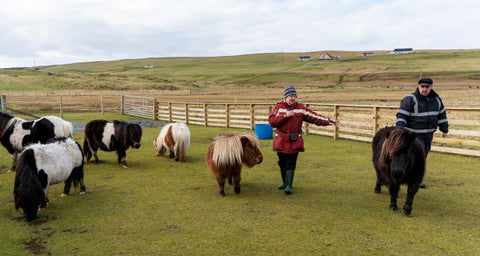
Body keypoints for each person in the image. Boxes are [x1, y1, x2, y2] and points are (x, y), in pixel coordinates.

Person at [268, 85, 338, 195]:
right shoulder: (278, 107)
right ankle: (284, 182)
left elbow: (314, 117)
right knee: (282, 162)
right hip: (281, 140)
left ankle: (289, 186)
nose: (292, 98)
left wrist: (329, 121)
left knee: (291, 163)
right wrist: (285, 115)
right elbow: (272, 121)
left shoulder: (300, 108)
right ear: (285, 97)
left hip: (294, 140)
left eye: (294, 96)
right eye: (290, 96)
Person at [396, 77, 449, 188]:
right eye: (422, 87)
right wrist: (399, 130)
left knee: (422, 156)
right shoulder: (410, 99)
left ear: (431, 87)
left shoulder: (437, 100)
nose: (424, 89)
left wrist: (444, 129)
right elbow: (402, 115)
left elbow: (442, 115)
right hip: (414, 135)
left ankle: (411, 177)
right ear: (418, 86)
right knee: (417, 157)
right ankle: (414, 179)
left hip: (428, 135)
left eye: (427, 87)